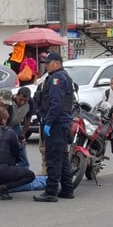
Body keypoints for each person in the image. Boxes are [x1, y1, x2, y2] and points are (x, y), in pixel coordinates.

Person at [33, 52, 75, 202]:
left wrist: (48, 122)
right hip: (61, 123)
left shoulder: (57, 78)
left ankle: (50, 192)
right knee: (62, 157)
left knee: (53, 158)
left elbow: (55, 104)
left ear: (57, 63)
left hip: (57, 124)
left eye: (48, 62)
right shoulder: (61, 76)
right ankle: (67, 189)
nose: (46, 65)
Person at [7, 86, 36, 168]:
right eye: (21, 99)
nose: (22, 102)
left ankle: (24, 170)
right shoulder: (9, 101)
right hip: (5, 126)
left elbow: (28, 119)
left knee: (21, 147)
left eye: (25, 100)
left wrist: (23, 134)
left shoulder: (30, 102)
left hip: (16, 125)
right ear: (16, 96)